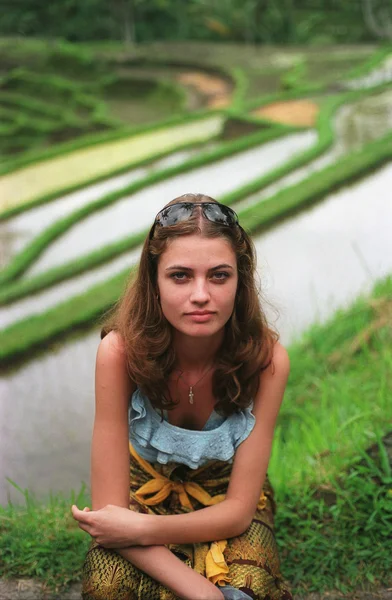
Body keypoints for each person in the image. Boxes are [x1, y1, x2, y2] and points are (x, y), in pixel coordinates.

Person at [71, 193, 293, 600]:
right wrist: (203, 592)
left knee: (249, 589)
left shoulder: (267, 361)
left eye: (219, 275)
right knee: (107, 586)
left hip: (223, 497)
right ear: (153, 281)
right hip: (144, 493)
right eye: (180, 276)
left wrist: (140, 529)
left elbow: (238, 510)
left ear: (240, 281)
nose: (201, 295)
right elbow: (111, 512)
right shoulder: (119, 354)